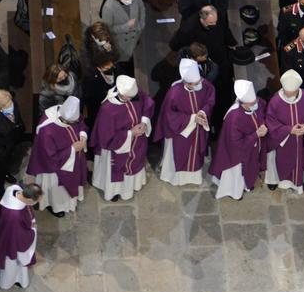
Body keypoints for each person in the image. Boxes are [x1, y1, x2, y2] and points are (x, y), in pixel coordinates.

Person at [90, 75, 155, 202]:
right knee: (116, 169)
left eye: (132, 97)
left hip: (137, 143)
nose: (131, 99)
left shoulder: (134, 92)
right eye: (128, 97)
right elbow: (106, 138)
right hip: (116, 149)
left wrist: (144, 122)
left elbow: (147, 104)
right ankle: (114, 192)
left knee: (136, 161)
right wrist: (130, 133)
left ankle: (132, 186)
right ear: (120, 93)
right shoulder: (107, 109)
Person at [156, 59, 215, 187]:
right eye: (195, 83)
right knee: (179, 154)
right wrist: (193, 118)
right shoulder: (174, 92)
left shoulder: (206, 85)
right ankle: (175, 177)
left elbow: (210, 101)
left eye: (199, 81)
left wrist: (203, 112)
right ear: (186, 82)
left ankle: (194, 176)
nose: (199, 84)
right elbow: (169, 115)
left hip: (198, 128)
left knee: (195, 152)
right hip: (180, 131)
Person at [26, 96, 89, 215]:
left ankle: (72, 200)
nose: (76, 123)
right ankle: (56, 207)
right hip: (54, 169)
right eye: (73, 123)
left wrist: (82, 134)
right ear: (65, 119)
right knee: (58, 191)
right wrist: (72, 149)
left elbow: (81, 122)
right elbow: (50, 157)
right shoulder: (47, 130)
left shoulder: (69, 112)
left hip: (74, 161)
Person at [209, 79, 267, 201]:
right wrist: (256, 135)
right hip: (235, 157)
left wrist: (263, 126)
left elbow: (260, 115)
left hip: (251, 149)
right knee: (236, 175)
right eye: (252, 103)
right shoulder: (234, 117)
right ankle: (234, 191)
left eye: (255, 100)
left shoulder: (255, 105)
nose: (255, 104)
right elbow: (235, 144)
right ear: (243, 103)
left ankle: (247, 185)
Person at [0, 183, 41, 291]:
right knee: (11, 264)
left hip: (3, 234)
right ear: (29, 200)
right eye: (35, 202)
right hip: (11, 245)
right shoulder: (14, 215)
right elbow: (20, 239)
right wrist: (32, 230)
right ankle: (8, 282)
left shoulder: (13, 190)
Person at [101, 0, 144, 73]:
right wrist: (126, 26)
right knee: (124, 64)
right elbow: (108, 30)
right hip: (121, 43)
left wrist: (141, 26)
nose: (131, 0)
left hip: (135, 39)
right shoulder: (108, 8)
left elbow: (142, 8)